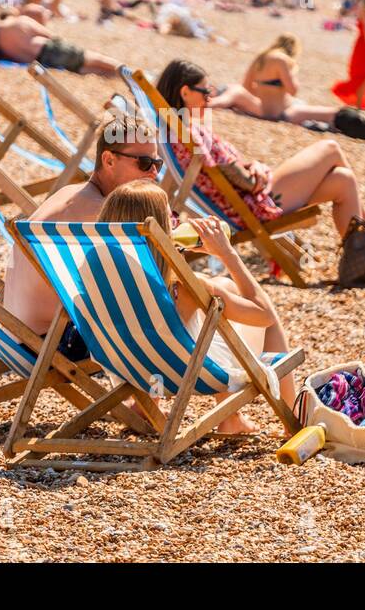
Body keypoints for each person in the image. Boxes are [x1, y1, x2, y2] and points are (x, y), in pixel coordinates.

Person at [97, 180, 297, 433]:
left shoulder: (92, 277)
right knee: (260, 315)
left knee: (222, 286)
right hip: (181, 375)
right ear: (158, 229)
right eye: (170, 216)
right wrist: (227, 254)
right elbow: (264, 315)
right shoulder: (185, 287)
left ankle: (147, 404)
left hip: (132, 370)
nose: (176, 221)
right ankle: (288, 422)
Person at [157, 59, 365, 243]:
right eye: (205, 92)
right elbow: (236, 177)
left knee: (343, 180)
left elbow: (225, 169)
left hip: (247, 200)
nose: (210, 99)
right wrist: (258, 172)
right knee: (330, 148)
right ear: (185, 92)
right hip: (254, 205)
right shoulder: (187, 135)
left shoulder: (178, 130)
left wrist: (251, 166)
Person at [2, 115, 161, 346]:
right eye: (145, 163)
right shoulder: (100, 215)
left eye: (158, 164)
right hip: (54, 342)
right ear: (108, 160)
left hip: (16, 333)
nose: (154, 173)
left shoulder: (70, 194)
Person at [210, 34, 365, 145]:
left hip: (263, 109)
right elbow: (293, 90)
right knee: (335, 115)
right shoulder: (283, 60)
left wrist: (264, 91)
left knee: (330, 119)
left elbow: (246, 87)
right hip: (284, 112)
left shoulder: (260, 58)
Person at [0, 13, 120, 75]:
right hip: (47, 48)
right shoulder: (19, 21)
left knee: (83, 68)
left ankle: (116, 75)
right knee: (91, 57)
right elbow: (48, 34)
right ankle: (126, 73)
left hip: (40, 60)